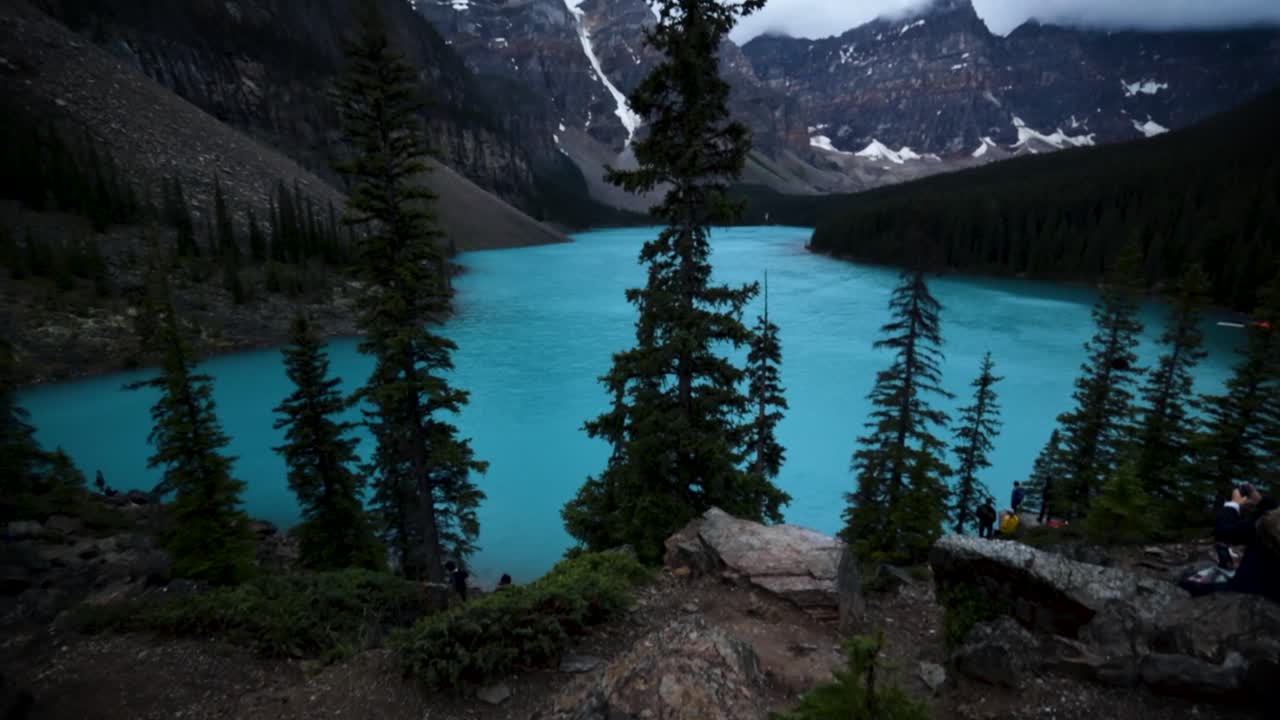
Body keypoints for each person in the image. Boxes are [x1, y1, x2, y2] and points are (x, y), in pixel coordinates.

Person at [1180, 484, 1280, 603]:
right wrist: (1261, 501)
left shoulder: (1268, 525)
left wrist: (1233, 505)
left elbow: (1224, 532)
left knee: (1184, 586)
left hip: (1252, 593)